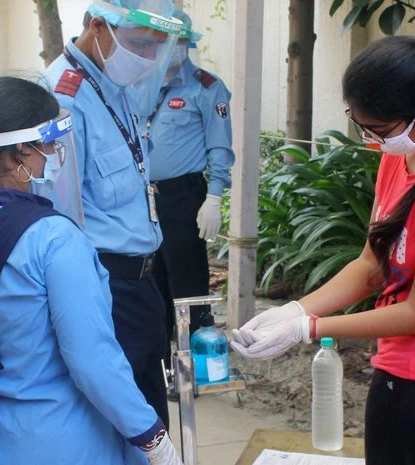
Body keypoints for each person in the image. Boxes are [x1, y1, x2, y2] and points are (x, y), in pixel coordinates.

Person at [230, 36, 415, 465]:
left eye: (378, 131)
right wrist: (297, 310)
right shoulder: (403, 152)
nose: (369, 141)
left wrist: (310, 330)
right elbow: (371, 264)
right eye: (360, 126)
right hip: (406, 367)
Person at [0, 76, 182, 465]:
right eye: (49, 145)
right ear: (19, 154)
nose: (54, 154)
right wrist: (151, 436)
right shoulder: (55, 240)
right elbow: (92, 360)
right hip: (59, 442)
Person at [44, 0, 183, 429]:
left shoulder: (113, 85)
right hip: (105, 288)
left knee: (148, 414)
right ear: (99, 27)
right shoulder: (63, 98)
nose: (146, 58)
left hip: (141, 283)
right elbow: (60, 216)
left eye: (156, 47)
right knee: (116, 426)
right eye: (139, 44)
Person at [147, 9, 233, 356]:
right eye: (161, 42)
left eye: (177, 42)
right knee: (152, 284)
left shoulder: (207, 88)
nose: (169, 49)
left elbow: (219, 147)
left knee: (187, 287)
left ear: (186, 44)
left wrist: (213, 198)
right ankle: (161, 364)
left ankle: (192, 367)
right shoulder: (141, 85)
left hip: (183, 198)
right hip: (143, 201)